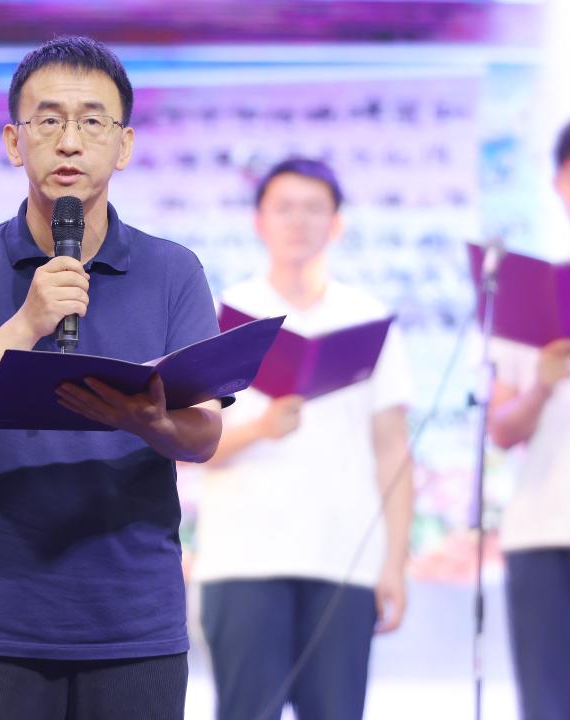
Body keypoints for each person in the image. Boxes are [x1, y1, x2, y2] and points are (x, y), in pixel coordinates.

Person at [0, 36, 225, 720]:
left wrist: (149, 421)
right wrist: (26, 323)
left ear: (124, 145)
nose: (69, 142)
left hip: (132, 622)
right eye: (48, 120)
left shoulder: (174, 272)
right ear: (14, 142)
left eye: (92, 122)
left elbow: (203, 436)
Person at [194, 158, 415, 720]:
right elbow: (191, 444)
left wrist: (394, 561)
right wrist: (261, 428)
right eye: (284, 208)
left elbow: (393, 448)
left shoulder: (367, 318)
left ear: (337, 223)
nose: (299, 221)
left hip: (344, 562)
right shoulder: (224, 317)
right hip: (243, 560)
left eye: (314, 209)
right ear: (259, 221)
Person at [489, 110, 570, 720]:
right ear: (557, 185)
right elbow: (502, 429)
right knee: (548, 708)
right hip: (541, 533)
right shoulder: (531, 292)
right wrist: (542, 387)